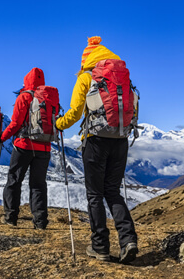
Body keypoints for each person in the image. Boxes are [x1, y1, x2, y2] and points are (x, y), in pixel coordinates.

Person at [56, 36, 138, 263]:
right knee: (112, 191)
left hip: (95, 142)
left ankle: (100, 247)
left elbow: (74, 113)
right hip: (120, 140)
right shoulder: (122, 77)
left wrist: (58, 124)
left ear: (86, 59)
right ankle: (128, 240)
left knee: (95, 195)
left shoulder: (86, 77)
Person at [0, 67, 51, 229]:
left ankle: (11, 216)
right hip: (44, 147)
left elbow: (15, 123)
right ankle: (40, 221)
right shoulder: (48, 98)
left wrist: (2, 137)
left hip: (23, 146)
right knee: (38, 184)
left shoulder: (24, 97)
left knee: (14, 181)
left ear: (27, 81)